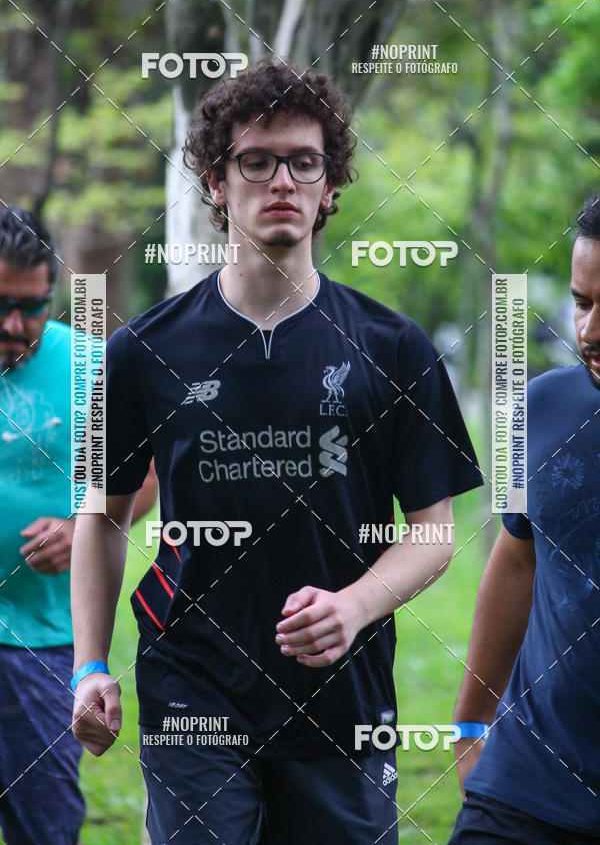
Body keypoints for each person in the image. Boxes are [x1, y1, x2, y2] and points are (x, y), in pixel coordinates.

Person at [71, 59, 483, 844]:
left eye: (304, 161)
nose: (282, 180)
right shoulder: (142, 352)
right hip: (191, 685)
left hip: (344, 698)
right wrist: (92, 666)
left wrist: (355, 607)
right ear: (218, 183)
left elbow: (435, 528)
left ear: (331, 185)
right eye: (256, 162)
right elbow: (103, 514)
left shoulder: (395, 349)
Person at [0, 206, 158, 845]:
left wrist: (79, 525)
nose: (14, 325)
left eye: (32, 308)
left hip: (37, 641)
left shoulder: (91, 367)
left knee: (45, 826)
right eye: (0, 305)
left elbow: (147, 474)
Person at [449, 195, 600, 843]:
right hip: (523, 790)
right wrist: (470, 725)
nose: (588, 330)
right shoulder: (539, 410)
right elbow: (516, 560)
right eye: (583, 301)